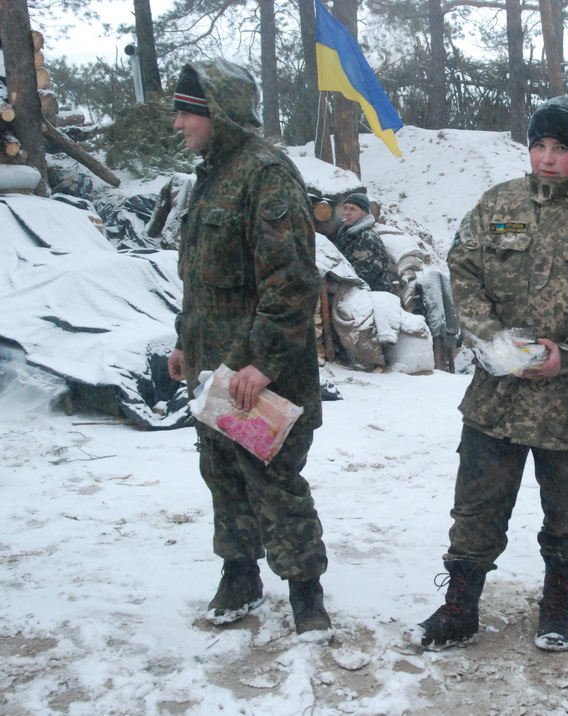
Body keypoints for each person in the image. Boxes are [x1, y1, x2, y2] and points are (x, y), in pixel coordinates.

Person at [408, 96, 568, 653]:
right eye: (539, 146)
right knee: (475, 507)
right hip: (496, 397)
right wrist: (492, 339)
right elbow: (464, 273)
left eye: (562, 149)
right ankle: (459, 607)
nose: (547, 159)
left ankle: (556, 604)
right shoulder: (496, 202)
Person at [166, 59, 331, 636]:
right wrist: (185, 341)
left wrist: (261, 362)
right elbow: (199, 274)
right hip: (212, 363)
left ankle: (305, 589)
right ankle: (239, 574)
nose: (179, 122)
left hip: (262, 368)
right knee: (221, 472)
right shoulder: (212, 173)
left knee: (274, 477)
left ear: (218, 111)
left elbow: (291, 280)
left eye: (188, 111)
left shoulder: (266, 174)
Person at [331, 192, 394, 293]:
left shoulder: (368, 239)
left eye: (352, 209)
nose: (347, 212)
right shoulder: (347, 235)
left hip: (373, 297)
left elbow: (358, 278)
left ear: (364, 213)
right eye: (345, 208)